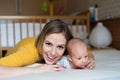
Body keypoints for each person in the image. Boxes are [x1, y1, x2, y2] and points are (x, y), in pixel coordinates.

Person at [0, 19, 94, 78]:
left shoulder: (67, 48)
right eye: (48, 44)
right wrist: (34, 69)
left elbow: (82, 49)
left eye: (60, 47)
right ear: (42, 41)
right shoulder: (30, 52)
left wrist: (90, 58)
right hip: (20, 46)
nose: (53, 53)